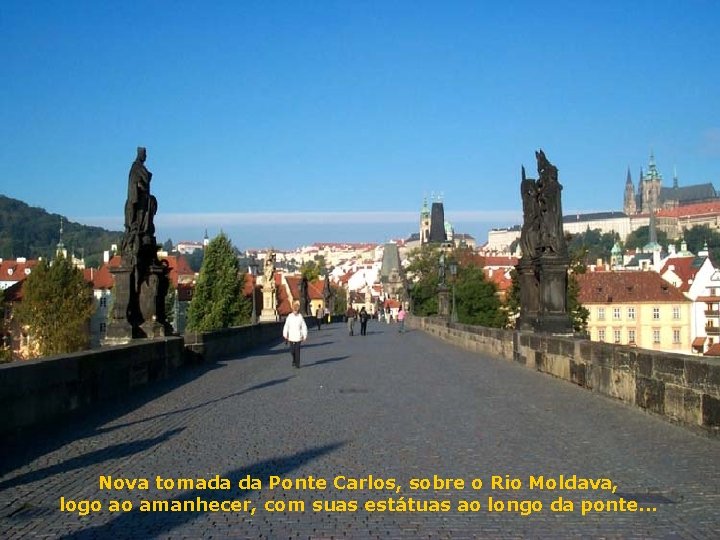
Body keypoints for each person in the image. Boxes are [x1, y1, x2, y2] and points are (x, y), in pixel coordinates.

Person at [283, 300, 307, 368]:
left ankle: (297, 363)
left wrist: (304, 335)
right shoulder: (289, 316)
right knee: (292, 351)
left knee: (297, 350)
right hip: (291, 337)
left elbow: (304, 326)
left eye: (296, 310)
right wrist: (285, 334)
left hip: (298, 337)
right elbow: (286, 325)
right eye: (294, 310)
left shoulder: (300, 317)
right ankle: (294, 359)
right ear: (293, 310)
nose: (295, 312)